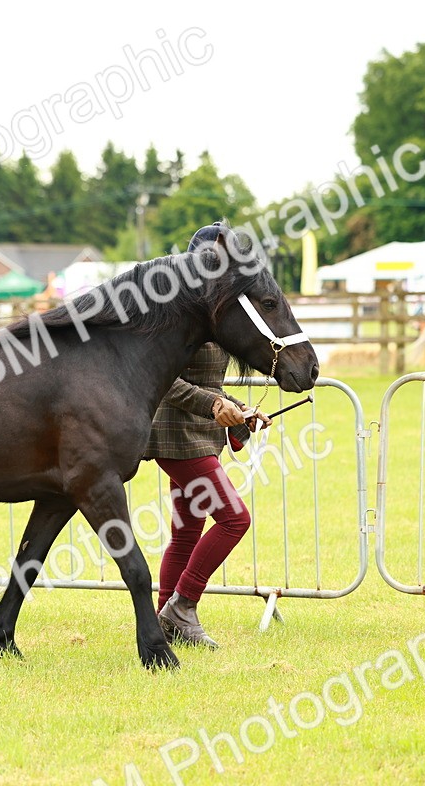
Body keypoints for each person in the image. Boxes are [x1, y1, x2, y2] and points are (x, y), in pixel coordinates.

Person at [143, 223, 272, 648]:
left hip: (197, 436)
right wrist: (214, 406)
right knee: (235, 520)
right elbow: (163, 379)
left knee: (186, 533)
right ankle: (182, 607)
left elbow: (206, 382)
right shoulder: (176, 311)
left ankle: (166, 617)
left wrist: (238, 410)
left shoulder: (210, 310)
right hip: (178, 438)